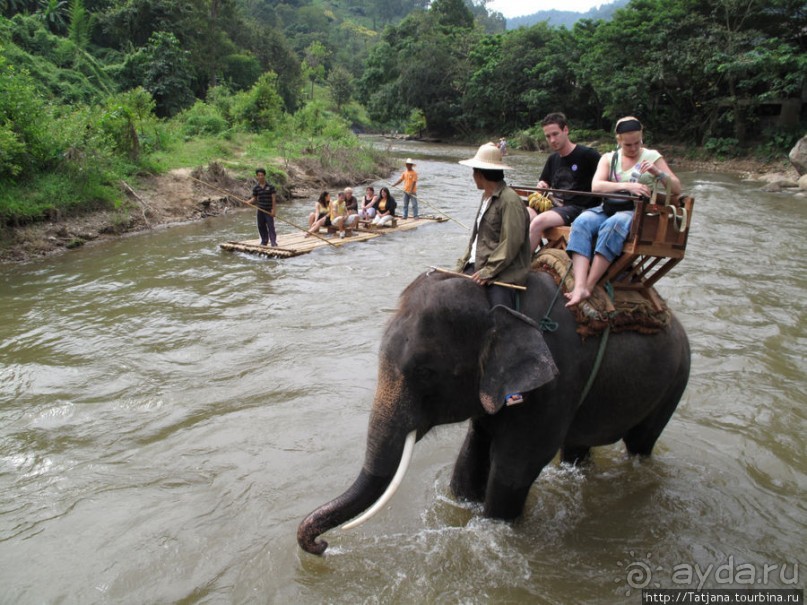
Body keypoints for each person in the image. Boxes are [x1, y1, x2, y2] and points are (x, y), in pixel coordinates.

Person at [564, 116, 681, 307]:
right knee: (582, 221)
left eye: (637, 143)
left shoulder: (652, 156)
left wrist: (658, 173)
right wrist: (627, 186)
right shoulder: (609, 158)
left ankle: (589, 285)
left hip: (635, 212)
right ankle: (579, 284)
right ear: (619, 141)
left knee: (613, 224)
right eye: (628, 145)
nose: (633, 148)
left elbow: (676, 188)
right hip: (608, 207)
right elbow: (596, 186)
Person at [455, 142, 531, 311]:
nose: (473, 176)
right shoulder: (486, 197)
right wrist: (461, 264)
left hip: (503, 273)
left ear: (479, 174)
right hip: (478, 264)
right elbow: (476, 238)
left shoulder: (510, 201)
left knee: (499, 313)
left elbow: (511, 242)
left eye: (474, 172)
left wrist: (488, 271)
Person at [529, 112, 601, 251]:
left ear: (566, 130)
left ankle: (521, 262)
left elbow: (605, 178)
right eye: (548, 136)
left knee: (538, 222)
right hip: (554, 206)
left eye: (555, 134)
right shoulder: (552, 159)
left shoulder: (588, 155)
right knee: (523, 214)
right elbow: (543, 183)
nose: (552, 140)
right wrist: (542, 185)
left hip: (578, 209)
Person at [249, 168, 277, 247]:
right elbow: (254, 198)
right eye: (259, 175)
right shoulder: (256, 188)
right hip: (260, 210)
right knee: (261, 226)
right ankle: (264, 241)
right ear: (257, 176)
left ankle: (273, 242)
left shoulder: (271, 187)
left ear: (264, 176)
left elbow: (273, 199)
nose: (260, 177)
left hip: (268, 210)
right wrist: (247, 202)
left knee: (271, 226)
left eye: (262, 175)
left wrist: (273, 210)